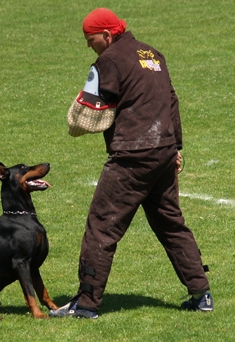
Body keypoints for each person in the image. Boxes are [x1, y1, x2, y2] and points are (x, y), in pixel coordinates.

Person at [49, 8, 213, 319]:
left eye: (91, 39)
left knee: (101, 226)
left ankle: (85, 305)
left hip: (132, 156)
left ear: (107, 35)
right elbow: (171, 100)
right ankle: (201, 294)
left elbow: (89, 110)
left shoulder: (109, 60)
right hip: (162, 150)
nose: (89, 46)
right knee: (170, 224)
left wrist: (78, 119)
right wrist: (175, 146)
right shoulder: (154, 54)